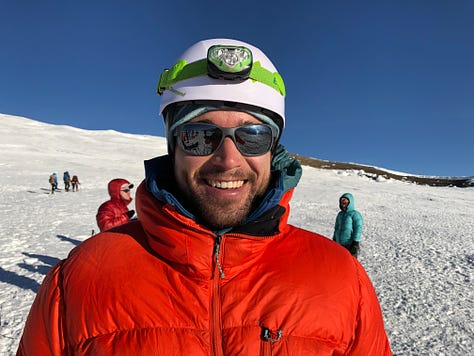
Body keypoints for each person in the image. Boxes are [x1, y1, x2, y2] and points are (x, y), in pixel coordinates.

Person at [17, 39, 391, 355]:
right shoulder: (80, 280)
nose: (228, 159)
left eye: (253, 136)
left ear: (273, 150)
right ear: (173, 146)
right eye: (199, 135)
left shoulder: (341, 278)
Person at [333, 193, 363, 258]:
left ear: (350, 203)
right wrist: (334, 239)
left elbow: (358, 228)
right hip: (339, 243)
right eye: (342, 202)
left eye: (345, 202)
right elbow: (336, 228)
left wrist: (355, 243)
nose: (343, 205)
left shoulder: (355, 214)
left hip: (349, 244)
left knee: (350, 262)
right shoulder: (340, 214)